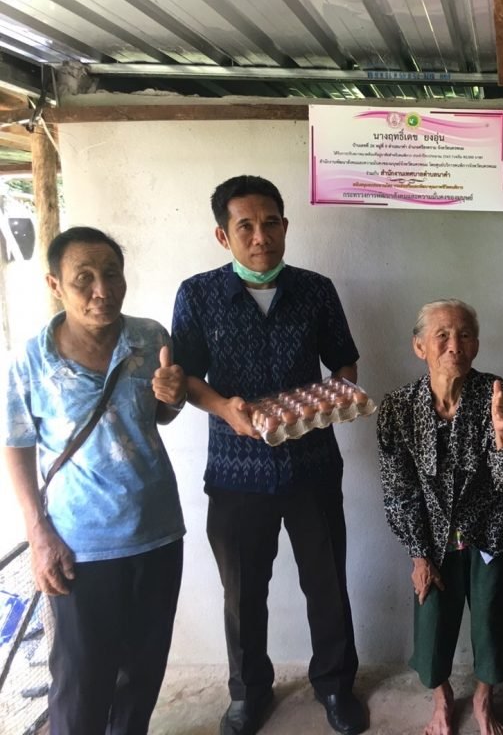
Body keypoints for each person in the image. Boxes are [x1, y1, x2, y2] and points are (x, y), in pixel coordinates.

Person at [172, 176, 366, 735]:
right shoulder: (198, 294)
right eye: (246, 227)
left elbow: (344, 361)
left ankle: (335, 685)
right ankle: (248, 692)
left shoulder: (315, 290)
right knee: (243, 591)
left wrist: (336, 396)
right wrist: (224, 408)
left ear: (285, 225)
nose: (261, 237)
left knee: (327, 582)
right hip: (236, 471)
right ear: (223, 235)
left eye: (271, 223)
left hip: (312, 464)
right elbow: (185, 377)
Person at [3, 226, 186, 735]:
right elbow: (15, 445)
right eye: (83, 278)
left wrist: (173, 398)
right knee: (81, 684)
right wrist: (38, 534)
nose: (101, 289)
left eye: (111, 274)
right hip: (80, 545)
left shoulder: (151, 338)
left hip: (157, 532)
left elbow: (158, 416)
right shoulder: (31, 361)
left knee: (142, 675)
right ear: (55, 284)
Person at [377, 299, 503, 735]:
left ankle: (484, 698)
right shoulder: (397, 408)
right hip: (431, 535)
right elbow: (399, 489)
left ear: (477, 345)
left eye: (465, 335)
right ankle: (442, 698)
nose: (455, 346)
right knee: (431, 616)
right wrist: (418, 554)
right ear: (419, 347)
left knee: (488, 616)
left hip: (490, 529)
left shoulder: (497, 395)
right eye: (442, 336)